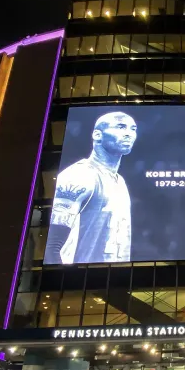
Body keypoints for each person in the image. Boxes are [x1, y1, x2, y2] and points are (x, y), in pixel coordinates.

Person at [44, 112, 137, 264]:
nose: (129, 134)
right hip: (81, 280)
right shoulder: (80, 175)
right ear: (97, 134)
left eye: (133, 129)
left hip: (113, 280)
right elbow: (53, 246)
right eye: (121, 127)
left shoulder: (120, 181)